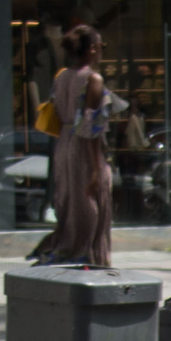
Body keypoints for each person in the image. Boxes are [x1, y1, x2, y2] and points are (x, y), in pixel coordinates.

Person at [44, 25, 112, 267]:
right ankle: (87, 256)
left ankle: (67, 249)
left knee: (69, 200)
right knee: (92, 201)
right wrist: (96, 167)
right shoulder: (93, 79)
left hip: (63, 144)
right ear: (92, 48)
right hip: (83, 148)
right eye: (101, 46)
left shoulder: (61, 77)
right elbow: (91, 127)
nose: (102, 51)